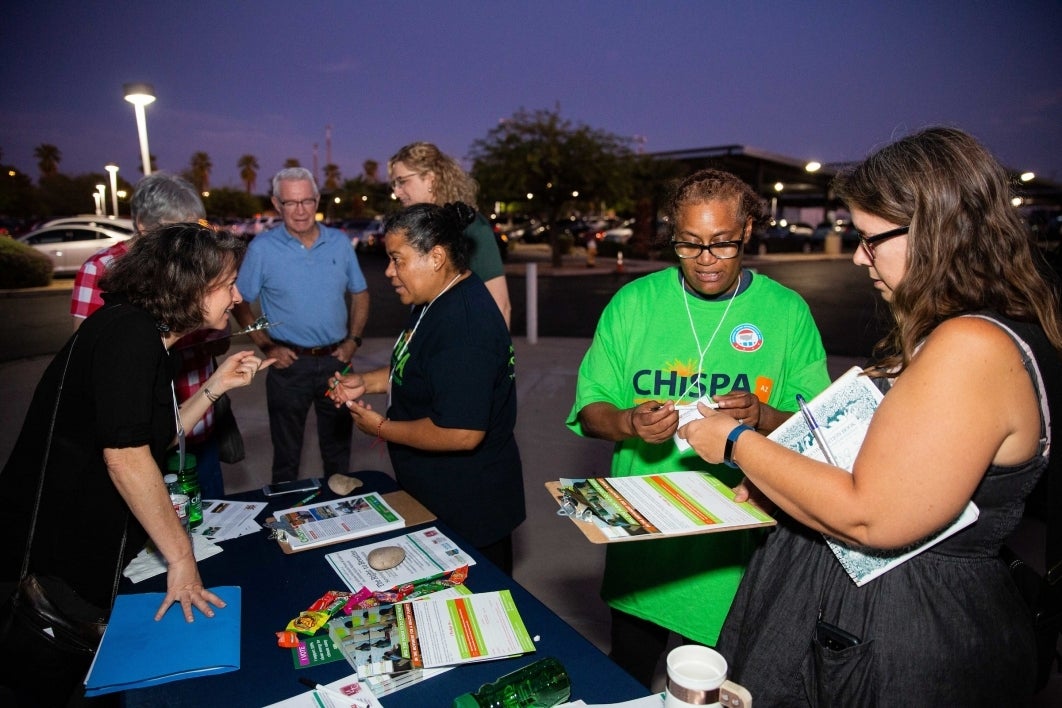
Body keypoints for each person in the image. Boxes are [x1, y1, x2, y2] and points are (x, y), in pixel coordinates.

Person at [679, 127, 1062, 705]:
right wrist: (786, 484)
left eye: (868, 238)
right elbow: (908, 476)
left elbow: (871, 518)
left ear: (933, 231)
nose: (859, 256)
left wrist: (734, 442)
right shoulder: (990, 329)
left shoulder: (971, 347)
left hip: (899, 634)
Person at [566, 168, 831, 687]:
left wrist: (760, 419)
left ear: (749, 230)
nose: (705, 260)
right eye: (688, 245)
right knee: (627, 681)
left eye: (722, 244)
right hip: (645, 546)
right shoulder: (634, 303)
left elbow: (817, 426)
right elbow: (592, 407)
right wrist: (628, 422)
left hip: (731, 560)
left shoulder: (785, 312)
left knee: (710, 690)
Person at [0, 223, 273, 706]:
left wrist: (216, 387)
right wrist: (182, 558)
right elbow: (125, 458)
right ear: (189, 287)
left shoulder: (141, 334)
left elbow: (149, 439)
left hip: (80, 549)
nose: (237, 296)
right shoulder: (129, 336)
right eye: (227, 283)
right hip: (54, 561)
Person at [327, 202, 524, 574]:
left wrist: (380, 428)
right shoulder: (435, 297)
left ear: (436, 257)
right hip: (438, 493)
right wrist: (365, 383)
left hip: (469, 507)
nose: (388, 271)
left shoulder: (464, 327)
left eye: (397, 259)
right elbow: (420, 365)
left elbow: (461, 433)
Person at [70, 173, 231, 499]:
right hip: (142, 439)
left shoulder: (192, 265)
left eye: (198, 227)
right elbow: (89, 365)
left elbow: (221, 341)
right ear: (145, 226)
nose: (194, 241)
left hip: (199, 430)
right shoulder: (102, 270)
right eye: (182, 230)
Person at [233, 167, 370, 484]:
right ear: (277, 203)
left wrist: (354, 341)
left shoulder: (338, 242)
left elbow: (361, 293)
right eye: (291, 203)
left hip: (337, 362)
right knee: (286, 459)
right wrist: (266, 345)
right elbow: (239, 302)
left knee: (338, 456)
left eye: (307, 201)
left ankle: (340, 525)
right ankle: (286, 527)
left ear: (317, 199)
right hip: (288, 367)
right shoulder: (262, 249)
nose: (300, 210)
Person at [388, 141, 512, 327]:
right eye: (394, 184)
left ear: (430, 179)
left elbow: (500, 306)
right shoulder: (422, 229)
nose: (396, 192)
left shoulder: (473, 228)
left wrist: (491, 355)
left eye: (402, 181)